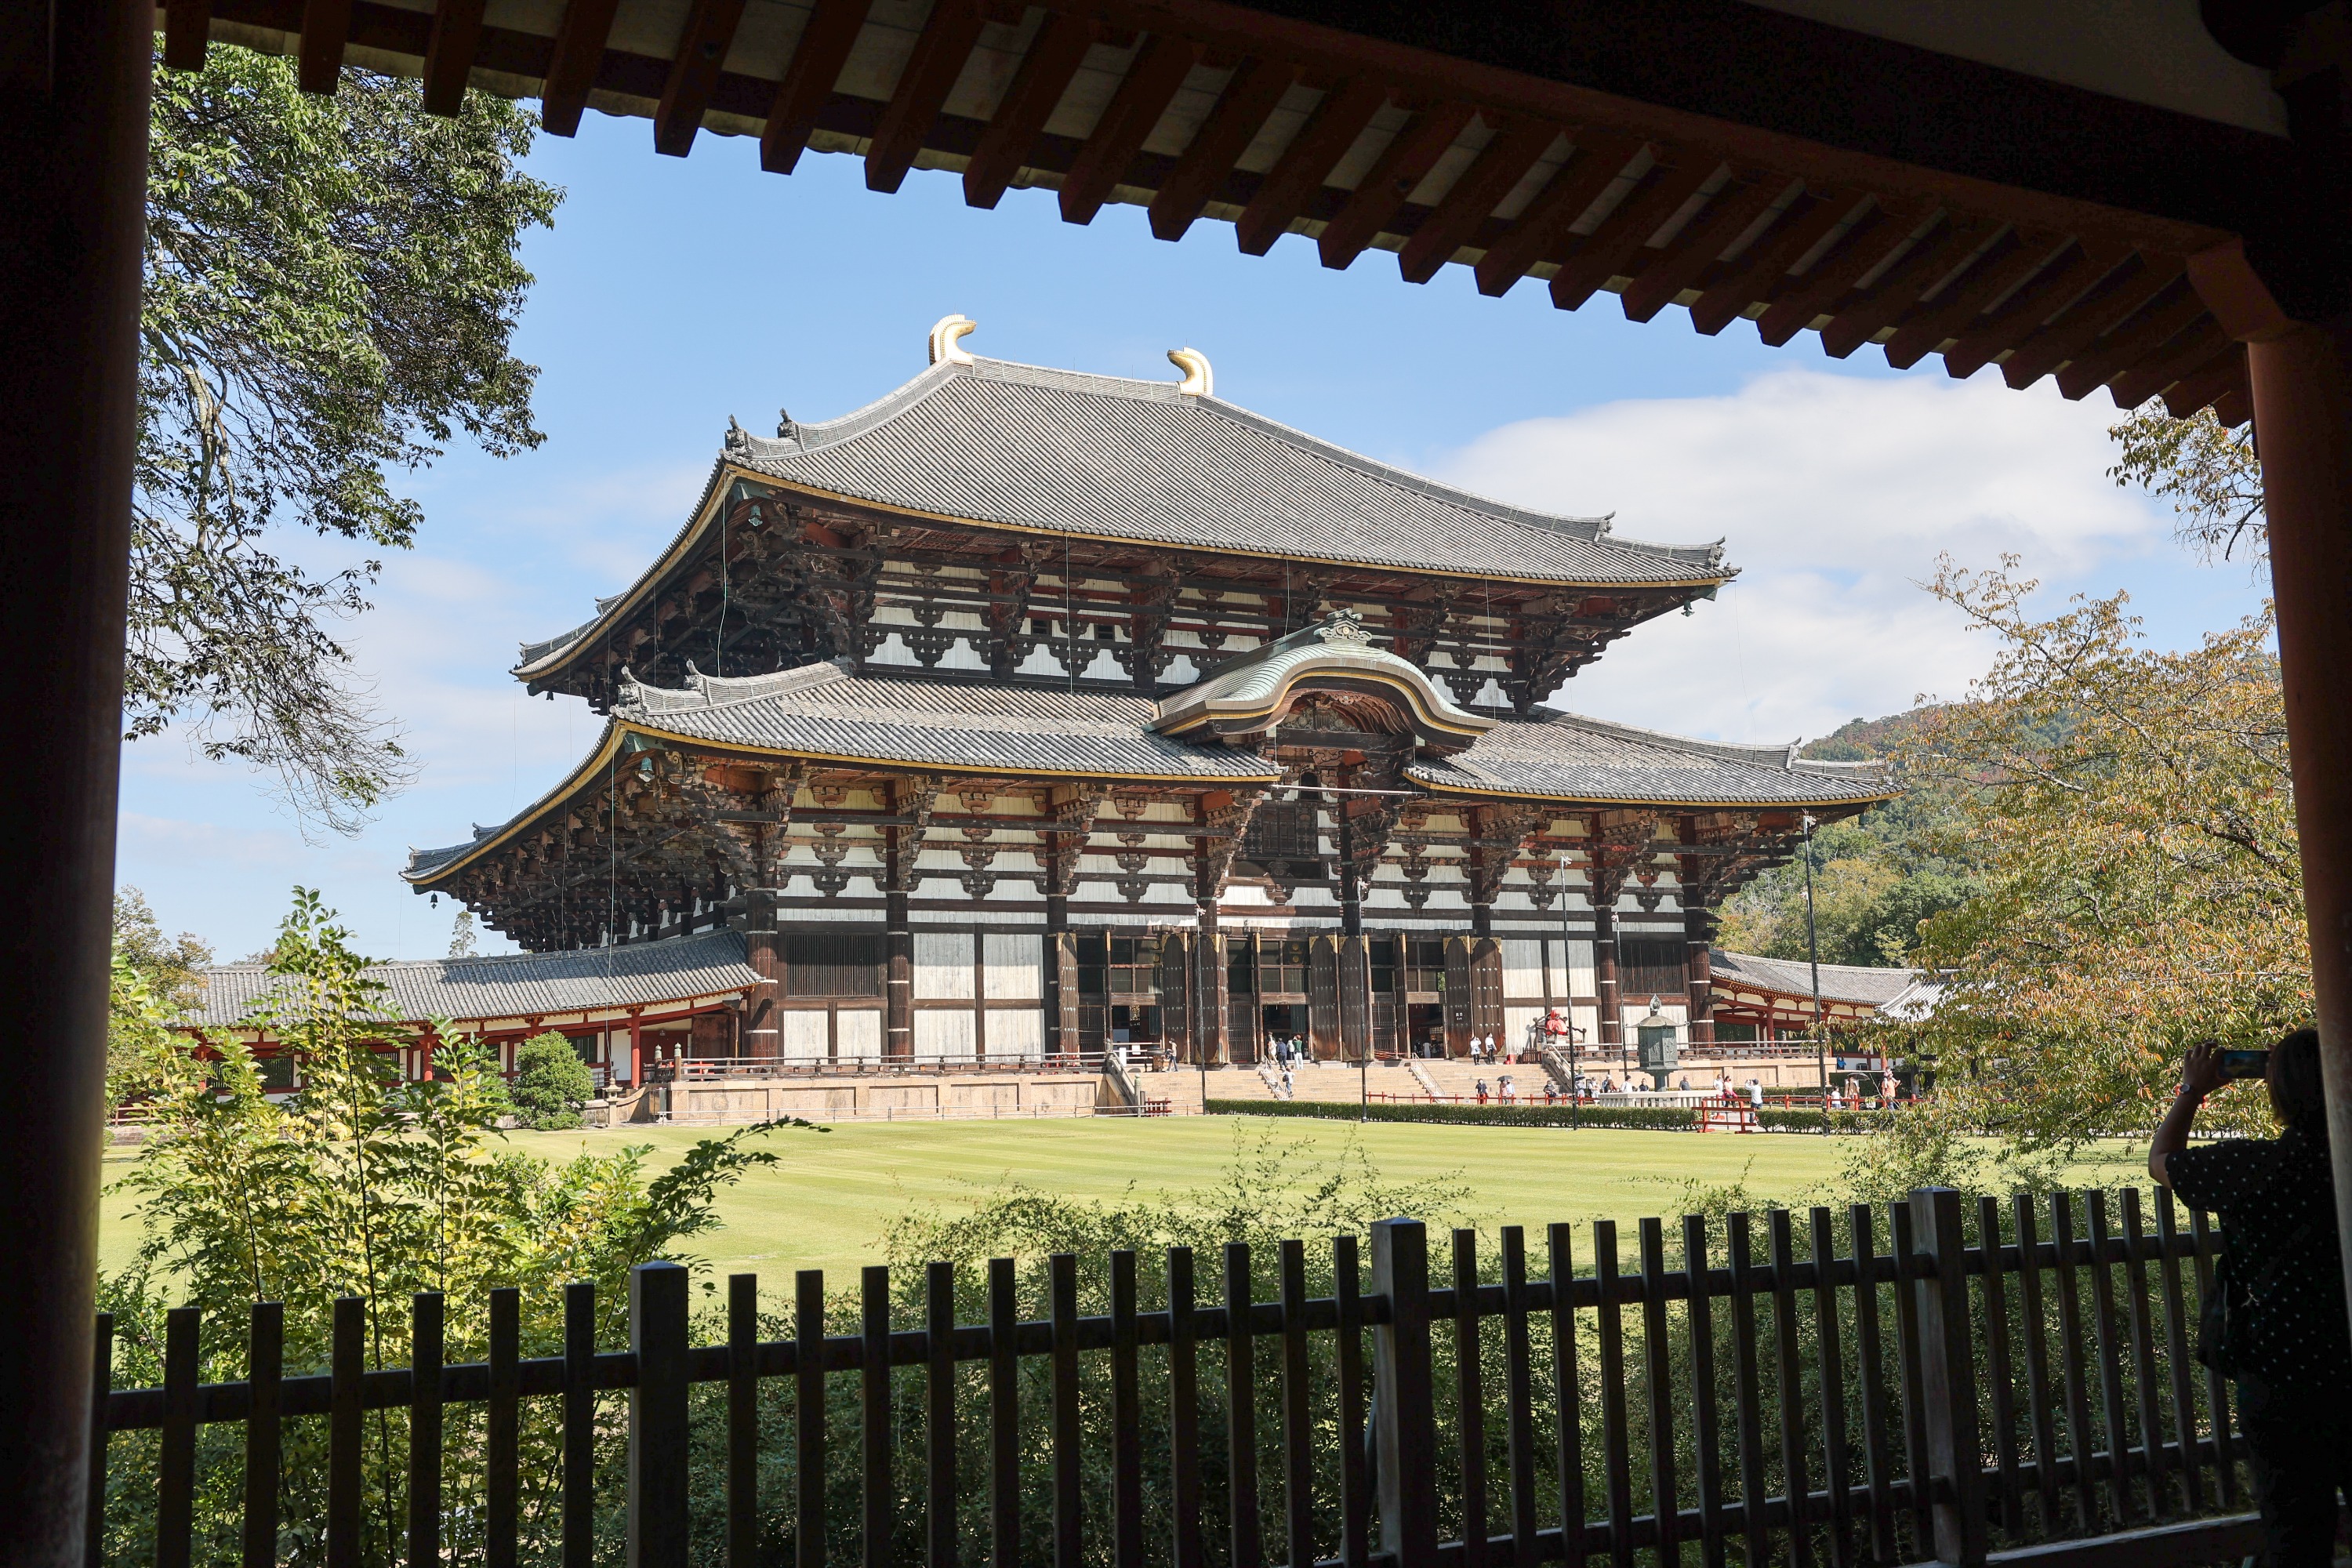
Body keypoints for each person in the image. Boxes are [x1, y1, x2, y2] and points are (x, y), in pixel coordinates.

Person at [2152, 1032, 2350, 1566]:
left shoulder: (2255, 1166)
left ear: (2277, 1093)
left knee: (2295, 1534)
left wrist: (2193, 1091)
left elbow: (2163, 1161)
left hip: (2283, 1368)